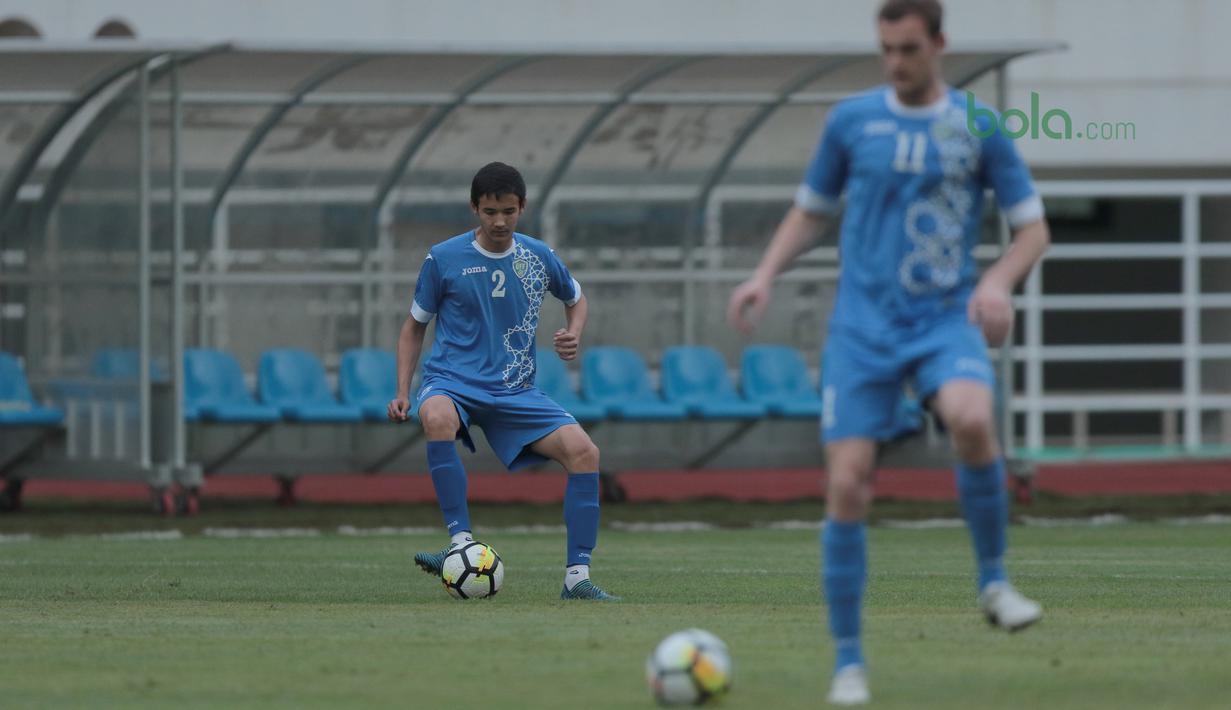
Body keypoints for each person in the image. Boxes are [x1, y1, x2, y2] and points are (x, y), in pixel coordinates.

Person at [727, 0, 1050, 703]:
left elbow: (1031, 230)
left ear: (939, 44)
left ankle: (993, 582)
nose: (896, 63)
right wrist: (762, 275)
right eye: (886, 49)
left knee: (970, 418)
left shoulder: (978, 125)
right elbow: (811, 210)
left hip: (941, 320)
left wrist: (996, 283)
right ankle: (848, 664)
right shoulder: (850, 122)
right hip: (862, 330)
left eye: (908, 49)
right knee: (846, 484)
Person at [388, 161, 618, 601]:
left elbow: (577, 297)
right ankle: (459, 545)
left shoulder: (536, 255)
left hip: (515, 390)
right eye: (490, 211)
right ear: (475, 208)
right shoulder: (444, 257)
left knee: (585, 452)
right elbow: (413, 326)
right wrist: (403, 391)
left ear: (522, 208)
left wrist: (574, 333)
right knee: (435, 415)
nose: (499, 221)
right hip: (453, 381)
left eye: (508, 212)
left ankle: (577, 579)